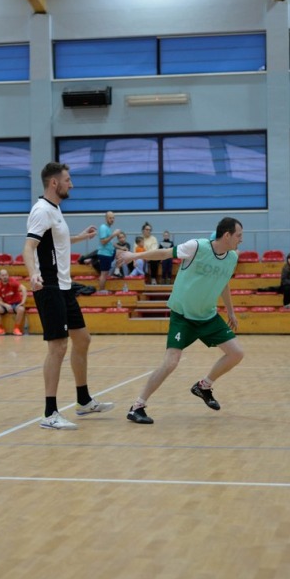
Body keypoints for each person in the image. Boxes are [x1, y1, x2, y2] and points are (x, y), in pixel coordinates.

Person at [116, 217, 245, 424]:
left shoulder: (231, 258)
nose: (241, 239)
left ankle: (204, 386)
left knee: (236, 353)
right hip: (183, 317)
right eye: (239, 235)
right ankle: (137, 407)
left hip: (208, 316)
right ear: (227, 235)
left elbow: (224, 282)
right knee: (170, 363)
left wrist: (231, 311)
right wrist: (134, 255)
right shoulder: (196, 247)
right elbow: (164, 253)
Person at [22, 161, 114, 430]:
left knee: (82, 339)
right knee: (58, 347)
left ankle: (83, 401)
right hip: (49, 286)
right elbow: (28, 247)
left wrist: (80, 238)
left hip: (64, 286)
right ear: (54, 183)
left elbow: (56, 241)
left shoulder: (55, 209)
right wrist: (33, 274)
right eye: (67, 180)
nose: (71, 184)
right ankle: (50, 413)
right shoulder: (41, 210)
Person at [0, 268, 26, 336]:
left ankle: (16, 329)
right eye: (3, 275)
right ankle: (0, 329)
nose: (5, 277)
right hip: (5, 305)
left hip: (16, 304)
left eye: (6, 275)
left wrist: (23, 301)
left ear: (8, 275)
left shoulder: (12, 281)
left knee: (21, 309)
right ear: (0, 276)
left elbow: (23, 288)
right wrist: (6, 305)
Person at [96, 211, 121, 293]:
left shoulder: (108, 228)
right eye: (110, 218)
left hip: (109, 253)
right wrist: (114, 234)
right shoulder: (103, 227)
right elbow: (103, 242)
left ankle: (117, 270)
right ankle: (101, 290)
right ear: (106, 218)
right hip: (104, 254)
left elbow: (110, 242)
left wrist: (121, 247)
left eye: (113, 218)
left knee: (121, 253)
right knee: (104, 274)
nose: (112, 220)